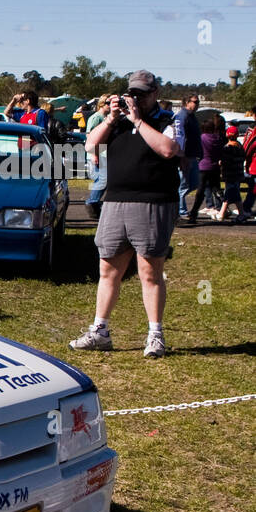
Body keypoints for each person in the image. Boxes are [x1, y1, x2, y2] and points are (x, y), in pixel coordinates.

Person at [70, 70, 180, 358]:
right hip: (116, 201)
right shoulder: (115, 123)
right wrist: (110, 118)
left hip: (153, 203)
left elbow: (169, 150)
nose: (137, 98)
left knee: (149, 271)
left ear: (155, 93)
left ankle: (155, 335)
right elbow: (91, 145)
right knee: (108, 269)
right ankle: (100, 331)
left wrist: (139, 121)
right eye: (133, 93)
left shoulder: (168, 120)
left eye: (143, 93)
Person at [186, 114, 225, 224]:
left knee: (201, 191)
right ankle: (222, 206)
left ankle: (194, 212)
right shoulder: (218, 138)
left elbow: (197, 149)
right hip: (214, 166)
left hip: (203, 166)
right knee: (216, 189)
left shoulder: (202, 138)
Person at [174, 93, 202, 217]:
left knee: (194, 183)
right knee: (183, 185)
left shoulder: (192, 116)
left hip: (193, 156)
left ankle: (179, 207)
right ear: (187, 102)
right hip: (185, 156)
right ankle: (181, 211)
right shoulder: (182, 116)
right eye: (195, 102)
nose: (197, 105)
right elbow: (179, 137)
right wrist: (181, 156)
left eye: (198, 102)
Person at [84, 95, 111, 217]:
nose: (110, 105)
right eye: (108, 103)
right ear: (102, 103)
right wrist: (95, 155)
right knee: (101, 180)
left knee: (103, 180)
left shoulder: (106, 118)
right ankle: (92, 202)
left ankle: (94, 204)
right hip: (97, 154)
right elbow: (90, 138)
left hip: (104, 153)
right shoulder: (96, 118)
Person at [217, 125, 250, 223]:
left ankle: (239, 214)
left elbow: (225, 161)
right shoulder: (240, 146)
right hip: (238, 173)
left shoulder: (227, 148)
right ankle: (224, 213)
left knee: (231, 193)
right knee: (232, 193)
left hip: (230, 174)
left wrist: (220, 163)